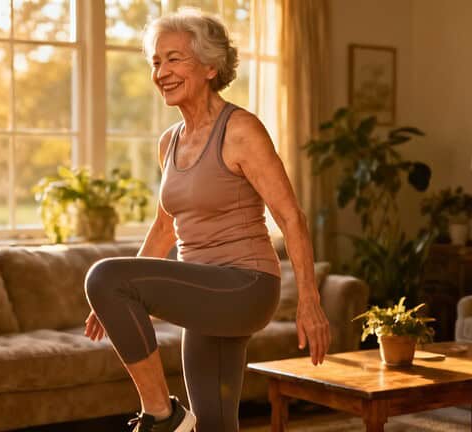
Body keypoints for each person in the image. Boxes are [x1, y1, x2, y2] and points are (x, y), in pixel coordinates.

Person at [83, 8, 331, 432]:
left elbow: (291, 216)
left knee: (103, 274)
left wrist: (309, 300)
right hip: (204, 290)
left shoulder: (240, 130)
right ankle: (177, 420)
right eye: (156, 62)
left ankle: (162, 416)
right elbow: (165, 228)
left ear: (210, 67)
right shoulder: (169, 142)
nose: (161, 72)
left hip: (246, 286)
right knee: (216, 423)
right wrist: (114, 298)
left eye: (174, 58)